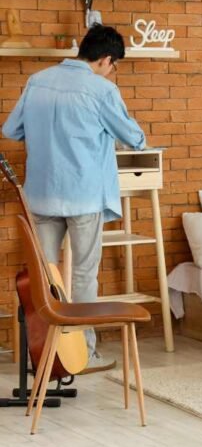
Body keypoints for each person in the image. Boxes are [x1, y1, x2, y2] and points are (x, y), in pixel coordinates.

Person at [3, 24, 146, 373]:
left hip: (41, 194)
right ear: (106, 59)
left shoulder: (38, 80)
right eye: (114, 65)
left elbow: (12, 130)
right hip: (83, 196)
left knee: (45, 278)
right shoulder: (102, 90)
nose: (112, 72)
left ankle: (46, 356)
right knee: (82, 275)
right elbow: (135, 138)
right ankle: (83, 355)